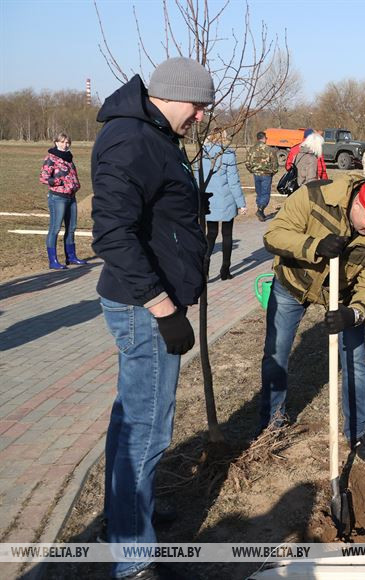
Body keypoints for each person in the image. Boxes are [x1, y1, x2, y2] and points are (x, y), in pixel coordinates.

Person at [91, 57, 214, 580]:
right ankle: (133, 560)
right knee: (146, 430)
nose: (202, 118)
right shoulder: (132, 140)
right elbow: (112, 234)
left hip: (150, 301)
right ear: (174, 96)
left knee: (129, 421)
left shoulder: (154, 134)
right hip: (144, 309)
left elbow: (150, 209)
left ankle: (124, 520)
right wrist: (164, 311)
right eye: (199, 107)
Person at [260, 175, 365, 462]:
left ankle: (358, 431)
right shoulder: (314, 196)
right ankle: (271, 424)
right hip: (293, 283)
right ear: (358, 202)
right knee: (276, 354)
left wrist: (354, 313)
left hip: (344, 295)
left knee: (356, 362)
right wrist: (314, 245)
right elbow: (273, 235)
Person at [202, 130, 247, 280]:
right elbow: (233, 181)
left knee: (211, 234)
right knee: (227, 234)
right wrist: (241, 203)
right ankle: (225, 270)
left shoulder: (202, 153)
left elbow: (198, 177)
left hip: (208, 199)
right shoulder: (227, 154)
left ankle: (205, 268)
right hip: (226, 198)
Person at [40, 132, 84, 269]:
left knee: (71, 228)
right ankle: (53, 260)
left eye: (67, 142)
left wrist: (76, 185)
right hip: (57, 197)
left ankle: (71, 257)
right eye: (63, 142)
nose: (65, 145)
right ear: (56, 143)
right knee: (55, 228)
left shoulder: (69, 158)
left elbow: (73, 175)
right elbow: (43, 178)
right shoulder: (51, 158)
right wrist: (59, 181)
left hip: (71, 197)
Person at [245, 131, 278, 221]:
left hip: (256, 174)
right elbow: (275, 164)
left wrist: (252, 170)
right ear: (264, 138)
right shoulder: (269, 150)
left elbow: (247, 163)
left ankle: (261, 212)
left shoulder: (251, 149)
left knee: (259, 192)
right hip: (266, 174)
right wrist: (272, 172)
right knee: (265, 193)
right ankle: (260, 210)